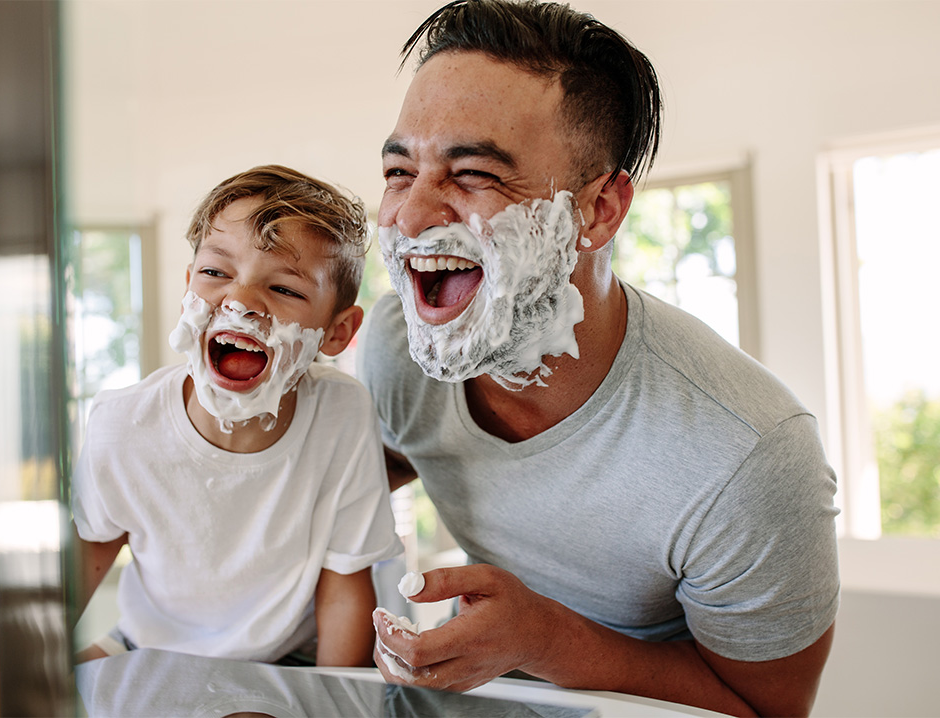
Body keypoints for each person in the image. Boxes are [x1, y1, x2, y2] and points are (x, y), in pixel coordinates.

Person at [355, 1, 839, 715]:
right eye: (399, 170)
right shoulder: (402, 346)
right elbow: (361, 472)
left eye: (473, 174)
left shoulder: (749, 455)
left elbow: (768, 708)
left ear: (599, 211)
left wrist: (546, 641)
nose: (408, 215)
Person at [71, 164, 404, 667]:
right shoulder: (122, 425)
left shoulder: (341, 413)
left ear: (337, 332)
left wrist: (335, 700)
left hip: (286, 657)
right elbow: (77, 572)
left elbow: (344, 589)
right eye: (215, 272)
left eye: (286, 289)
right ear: (188, 288)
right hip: (148, 646)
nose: (242, 302)